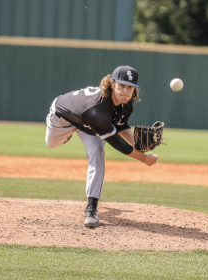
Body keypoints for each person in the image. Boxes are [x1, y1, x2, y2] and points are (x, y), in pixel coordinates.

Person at [45, 65, 159, 228]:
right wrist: (144, 158)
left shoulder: (126, 102)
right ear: (112, 84)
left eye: (130, 87)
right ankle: (68, 134)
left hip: (91, 125)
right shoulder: (97, 110)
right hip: (63, 117)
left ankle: (91, 208)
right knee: (51, 144)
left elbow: (120, 123)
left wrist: (136, 143)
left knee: (98, 153)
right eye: (122, 86)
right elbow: (119, 144)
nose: (126, 91)